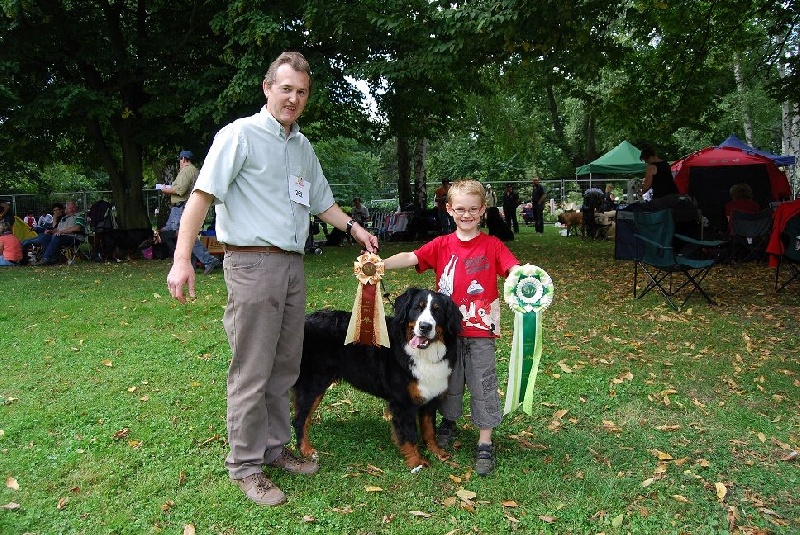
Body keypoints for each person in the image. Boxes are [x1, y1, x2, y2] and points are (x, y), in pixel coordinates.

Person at [166, 51, 379, 506]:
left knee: (286, 365)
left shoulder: (302, 147)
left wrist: (354, 228)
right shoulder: (238, 136)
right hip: (251, 264)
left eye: (301, 92)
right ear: (267, 88)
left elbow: (322, 202)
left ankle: (275, 449)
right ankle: (245, 466)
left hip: (292, 265)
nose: (293, 99)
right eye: (286, 89)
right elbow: (200, 197)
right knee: (253, 369)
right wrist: (182, 257)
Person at [383, 179, 520, 476]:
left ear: (483, 210)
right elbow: (412, 257)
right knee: (450, 385)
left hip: (481, 333)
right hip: (446, 337)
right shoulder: (442, 244)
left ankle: (485, 441)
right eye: (460, 209)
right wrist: (381, 265)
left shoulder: (493, 245)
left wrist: (524, 275)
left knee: (483, 384)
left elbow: (512, 268)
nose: (466, 214)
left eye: (473, 209)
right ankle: (449, 423)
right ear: (449, 209)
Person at [157, 150, 220, 275]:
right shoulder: (195, 170)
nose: (179, 162)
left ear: (184, 159)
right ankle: (191, 264)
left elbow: (180, 190)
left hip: (182, 206)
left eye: (180, 159)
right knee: (184, 234)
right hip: (187, 205)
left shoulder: (186, 171)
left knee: (183, 235)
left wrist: (165, 189)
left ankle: (208, 260)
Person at [33, 200, 86, 265]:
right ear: (66, 209)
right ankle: (53, 258)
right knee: (44, 237)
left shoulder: (80, 215)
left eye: (73, 208)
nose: (72, 210)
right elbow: (58, 229)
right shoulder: (64, 218)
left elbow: (77, 228)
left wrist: (61, 231)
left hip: (75, 238)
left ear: (76, 208)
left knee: (56, 237)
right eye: (69, 208)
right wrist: (51, 231)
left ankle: (45, 259)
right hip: (62, 237)